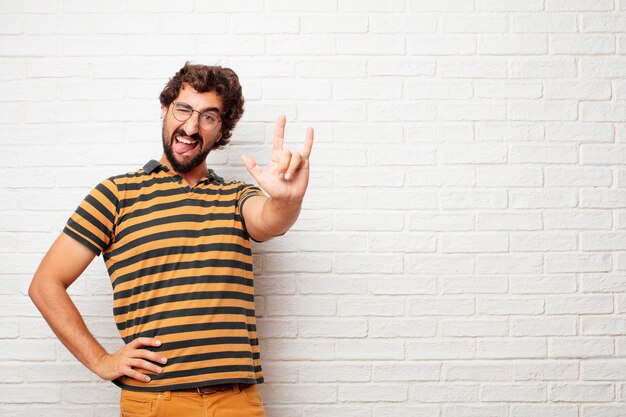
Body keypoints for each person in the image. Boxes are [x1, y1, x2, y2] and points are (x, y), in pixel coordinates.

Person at [28, 62, 313, 416]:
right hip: (155, 402)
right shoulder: (117, 194)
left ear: (220, 130)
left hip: (237, 402)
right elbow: (45, 284)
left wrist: (288, 200)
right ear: (165, 109)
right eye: (184, 109)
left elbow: (269, 221)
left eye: (209, 117)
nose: (192, 126)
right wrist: (101, 361)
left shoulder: (236, 196)